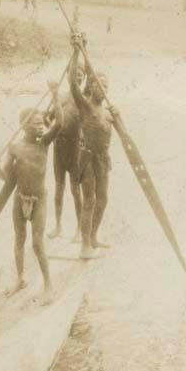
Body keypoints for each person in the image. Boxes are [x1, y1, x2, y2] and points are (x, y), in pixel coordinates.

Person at [0, 81, 63, 304]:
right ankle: (20, 280)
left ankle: (48, 286)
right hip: (19, 199)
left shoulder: (44, 143)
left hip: (39, 200)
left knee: (37, 244)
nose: (41, 127)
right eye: (35, 124)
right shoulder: (15, 148)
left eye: (42, 123)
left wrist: (54, 94)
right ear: (24, 126)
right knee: (19, 239)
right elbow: (7, 179)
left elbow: (59, 123)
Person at [69, 32, 116, 259]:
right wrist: (77, 50)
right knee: (89, 201)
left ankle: (94, 237)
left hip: (103, 159)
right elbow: (72, 84)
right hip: (87, 159)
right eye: (100, 84)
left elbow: (123, 135)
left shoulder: (109, 113)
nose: (104, 87)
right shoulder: (86, 106)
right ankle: (84, 246)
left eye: (106, 84)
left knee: (103, 199)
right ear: (92, 87)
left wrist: (118, 117)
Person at [47, 62, 87, 242]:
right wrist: (54, 95)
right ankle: (58, 226)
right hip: (59, 146)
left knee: (75, 190)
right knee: (58, 188)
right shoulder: (61, 96)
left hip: (75, 148)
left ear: (84, 77)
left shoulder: (84, 98)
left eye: (80, 74)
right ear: (69, 76)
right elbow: (48, 119)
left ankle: (79, 229)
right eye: (74, 73)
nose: (77, 76)